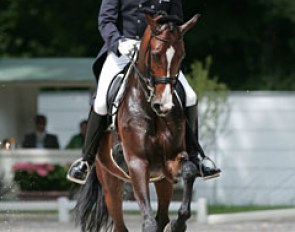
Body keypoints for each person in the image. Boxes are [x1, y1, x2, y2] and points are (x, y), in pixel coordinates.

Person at [67, 0, 220, 184]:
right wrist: (118, 43)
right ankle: (86, 160)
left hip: (159, 50)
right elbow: (106, 21)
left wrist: (169, 34)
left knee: (190, 96)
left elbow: (177, 22)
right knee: (100, 102)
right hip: (124, 49)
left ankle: (197, 158)